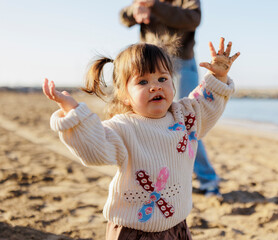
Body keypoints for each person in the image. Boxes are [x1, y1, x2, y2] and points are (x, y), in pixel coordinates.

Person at [43, 38, 239, 239]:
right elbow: (95, 149)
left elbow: (206, 103)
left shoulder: (186, 117)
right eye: (143, 82)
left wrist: (218, 75)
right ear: (124, 95)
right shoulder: (123, 127)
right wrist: (74, 113)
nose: (155, 87)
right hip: (134, 230)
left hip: (176, 225)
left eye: (163, 79)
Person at [120, 0, 222, 197]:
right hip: (149, 66)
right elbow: (123, 18)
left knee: (187, 120)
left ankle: (208, 179)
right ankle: (164, 178)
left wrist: (154, 6)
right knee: (150, 121)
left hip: (181, 63)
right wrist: (136, 9)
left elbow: (193, 19)